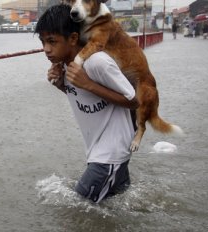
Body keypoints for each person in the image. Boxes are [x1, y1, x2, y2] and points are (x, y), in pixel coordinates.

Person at [35, 4, 139, 203]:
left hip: (109, 155)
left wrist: (89, 84)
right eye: (43, 42)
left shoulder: (97, 62)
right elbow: (85, 98)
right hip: (102, 153)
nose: (46, 49)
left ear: (73, 38)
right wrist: (61, 85)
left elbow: (134, 100)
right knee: (117, 209)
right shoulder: (67, 65)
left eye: (52, 41)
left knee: (78, 209)